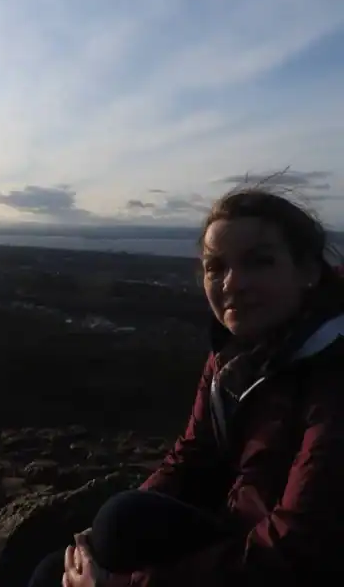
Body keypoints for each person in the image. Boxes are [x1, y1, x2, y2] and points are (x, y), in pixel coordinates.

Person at [28, 186, 344, 587]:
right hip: (244, 537)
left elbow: (300, 546)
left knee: (122, 523)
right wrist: (94, 546)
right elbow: (191, 456)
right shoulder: (232, 359)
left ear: (308, 272)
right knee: (60, 565)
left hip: (295, 565)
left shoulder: (332, 372)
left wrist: (126, 583)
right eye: (216, 267)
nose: (233, 283)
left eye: (259, 261)